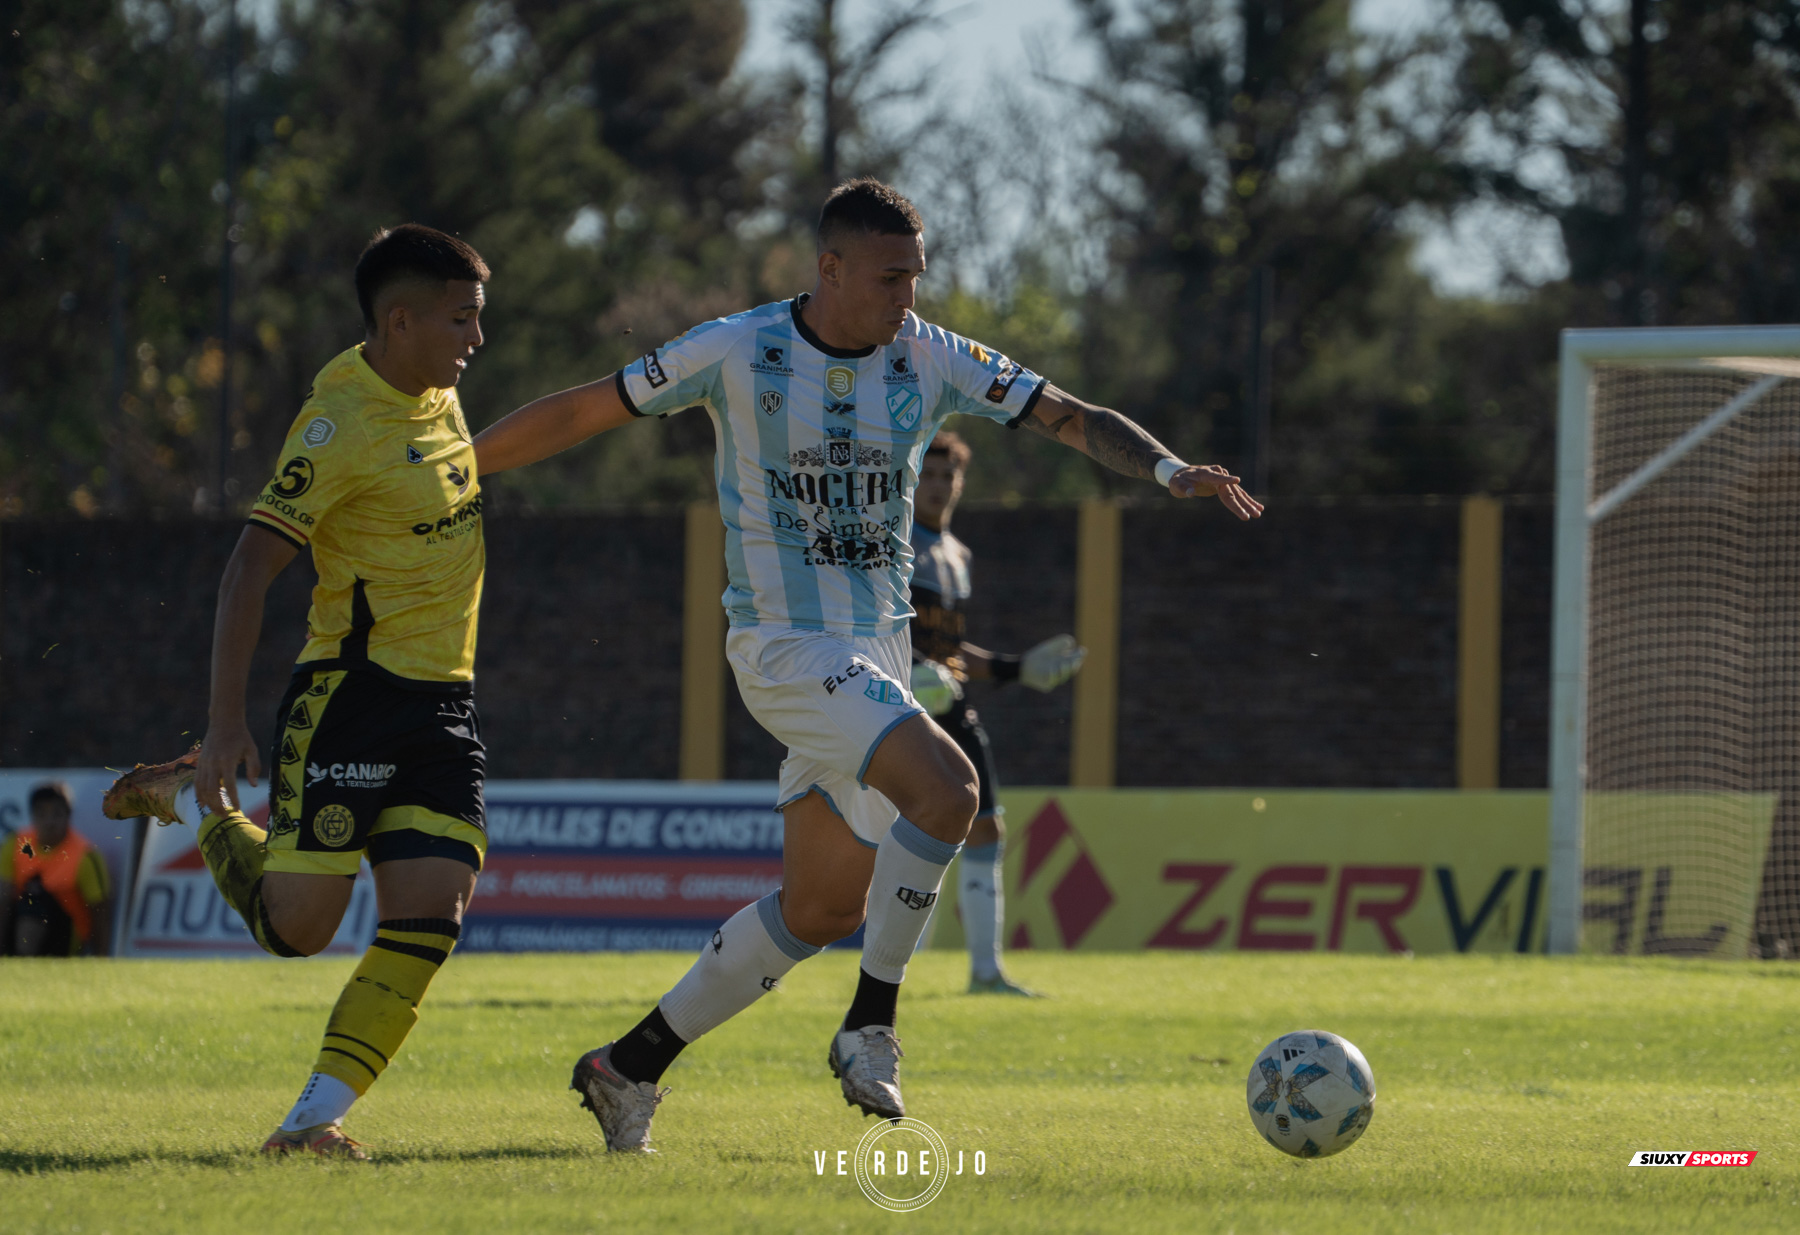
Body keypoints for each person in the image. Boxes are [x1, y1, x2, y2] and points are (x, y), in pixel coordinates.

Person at [473, 178, 1263, 1153]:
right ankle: (870, 1025)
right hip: (786, 645)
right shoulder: (736, 348)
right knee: (952, 790)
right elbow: (587, 410)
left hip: (876, 656)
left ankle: (625, 1067)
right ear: (830, 268)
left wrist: (1169, 469)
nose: (908, 296)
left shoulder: (928, 355)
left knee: (821, 906)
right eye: (890, 277)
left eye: (916, 276)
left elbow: (1065, 413)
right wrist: (462, 464)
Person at [102, 224, 492, 1161]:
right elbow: (247, 570)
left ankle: (310, 1123)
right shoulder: (337, 422)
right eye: (461, 319)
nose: (477, 339)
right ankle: (196, 798)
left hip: (444, 702)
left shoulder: (439, 391)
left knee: (431, 916)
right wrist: (225, 722)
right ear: (399, 322)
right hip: (350, 697)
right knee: (298, 931)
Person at [906, 429, 1084, 996]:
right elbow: (877, 628)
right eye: (928, 475)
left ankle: (986, 973)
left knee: (985, 827)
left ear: (960, 483)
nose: (938, 486)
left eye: (948, 475)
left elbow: (950, 650)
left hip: (953, 707)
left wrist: (1016, 667)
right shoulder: (893, 543)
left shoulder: (959, 555)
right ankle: (886, 970)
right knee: (892, 834)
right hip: (898, 706)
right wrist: (911, 668)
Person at [1, 782, 113, 957]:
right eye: (42, 814)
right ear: (32, 816)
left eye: (57, 814)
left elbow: (100, 912)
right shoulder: (15, 843)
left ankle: (25, 958)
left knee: (36, 902)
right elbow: (3, 897)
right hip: (16, 929)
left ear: (68, 816)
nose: (49, 822)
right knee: (26, 899)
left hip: (64, 939)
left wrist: (101, 958)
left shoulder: (85, 855)